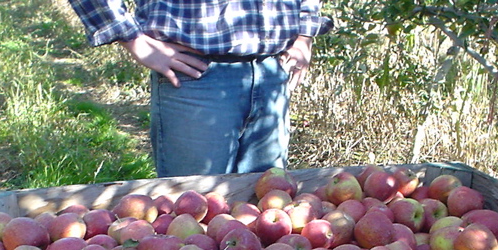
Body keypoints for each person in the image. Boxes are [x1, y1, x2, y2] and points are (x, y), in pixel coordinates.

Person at [67, 0, 332, 177]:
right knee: (194, 221)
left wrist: (305, 34)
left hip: (274, 70)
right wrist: (130, 37)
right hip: (196, 74)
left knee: (267, 214)